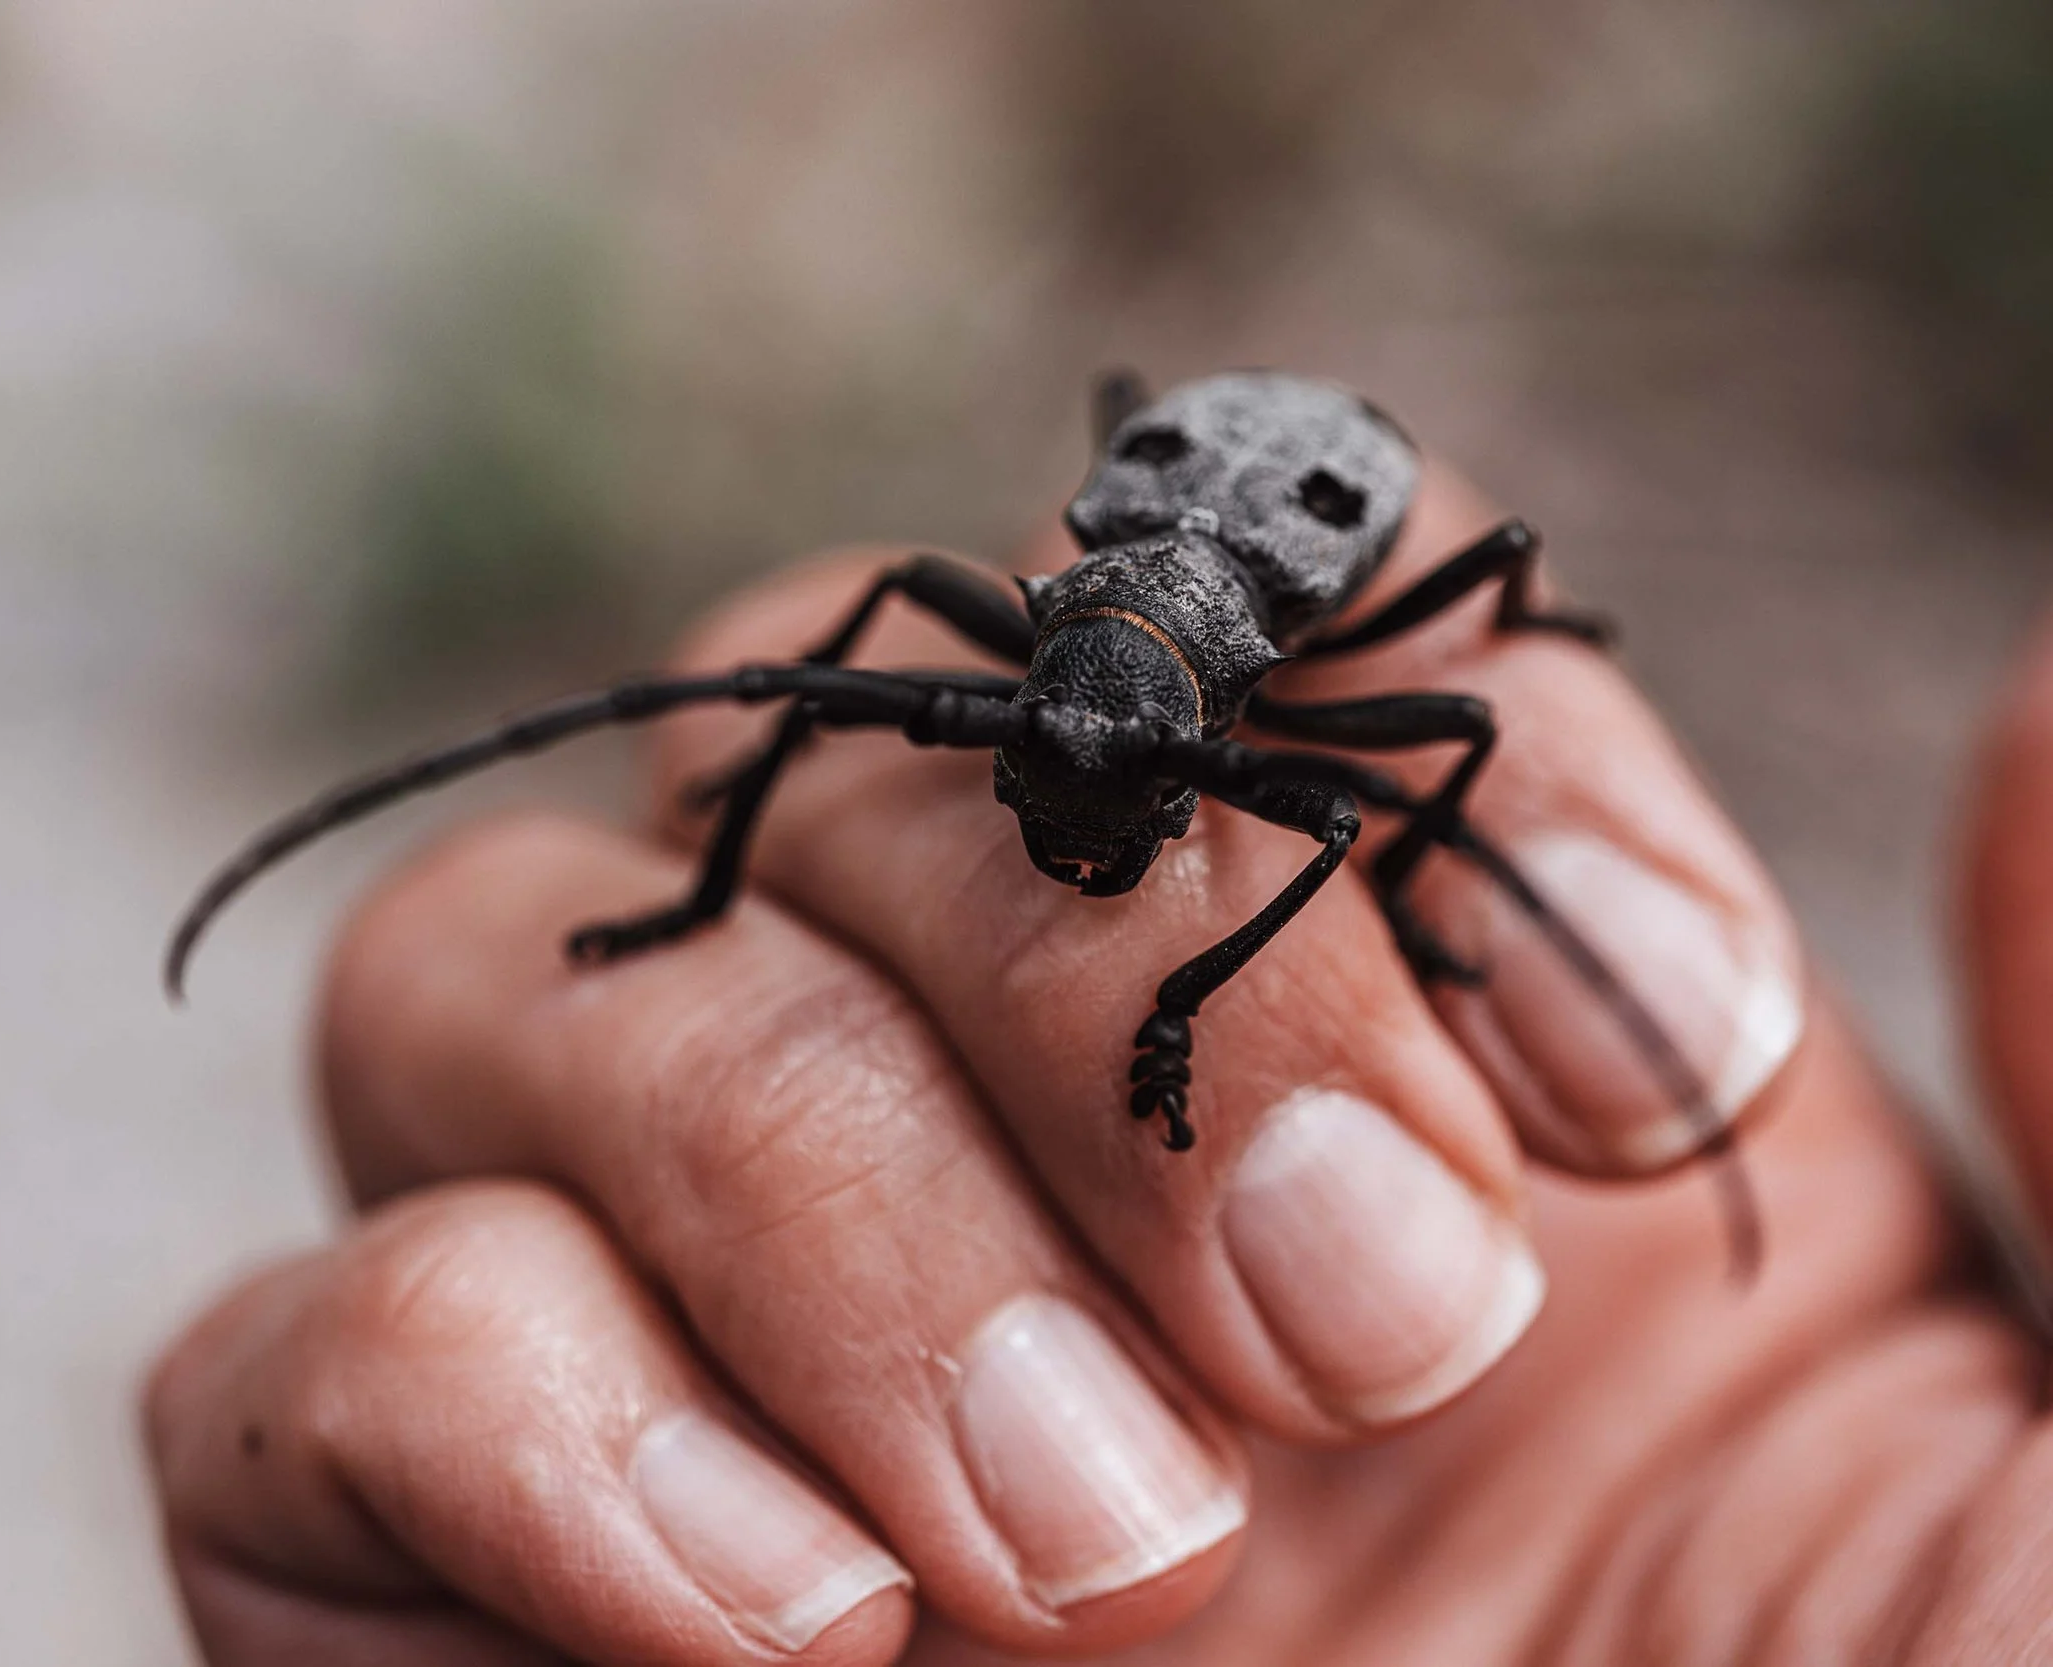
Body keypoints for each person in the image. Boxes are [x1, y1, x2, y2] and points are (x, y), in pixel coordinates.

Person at [140, 455, 2053, 1664]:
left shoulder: (1294, 688)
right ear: (1039, 664)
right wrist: (723, 843)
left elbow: (1436, 757)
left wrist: (1189, 993)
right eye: (1039, 750)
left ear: (1221, 705)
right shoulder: (1038, 637)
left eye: (1121, 767)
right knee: (806, 680)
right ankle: (719, 874)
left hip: (1290, 500)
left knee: (1428, 744)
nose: (1068, 809)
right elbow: (881, 629)